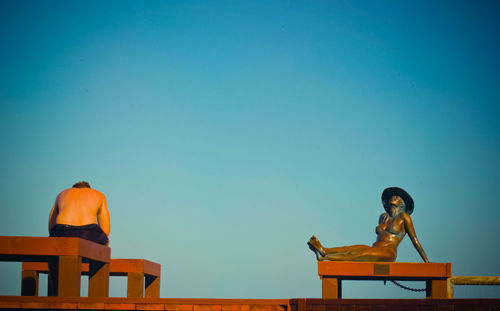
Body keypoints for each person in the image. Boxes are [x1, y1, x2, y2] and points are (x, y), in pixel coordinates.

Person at [307, 187, 429, 262]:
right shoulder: (383, 216)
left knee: (360, 255)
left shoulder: (404, 217)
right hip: (374, 248)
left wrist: (427, 262)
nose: (393, 197)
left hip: (388, 252)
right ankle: (323, 250)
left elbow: (414, 240)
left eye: (396, 197)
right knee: (349, 249)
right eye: (392, 196)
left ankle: (325, 256)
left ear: (402, 204)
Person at [48, 181, 110, 245]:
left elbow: (51, 227)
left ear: (72, 189)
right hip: (89, 233)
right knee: (105, 240)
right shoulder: (99, 195)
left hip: (62, 231)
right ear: (89, 188)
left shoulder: (61, 194)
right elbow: (106, 230)